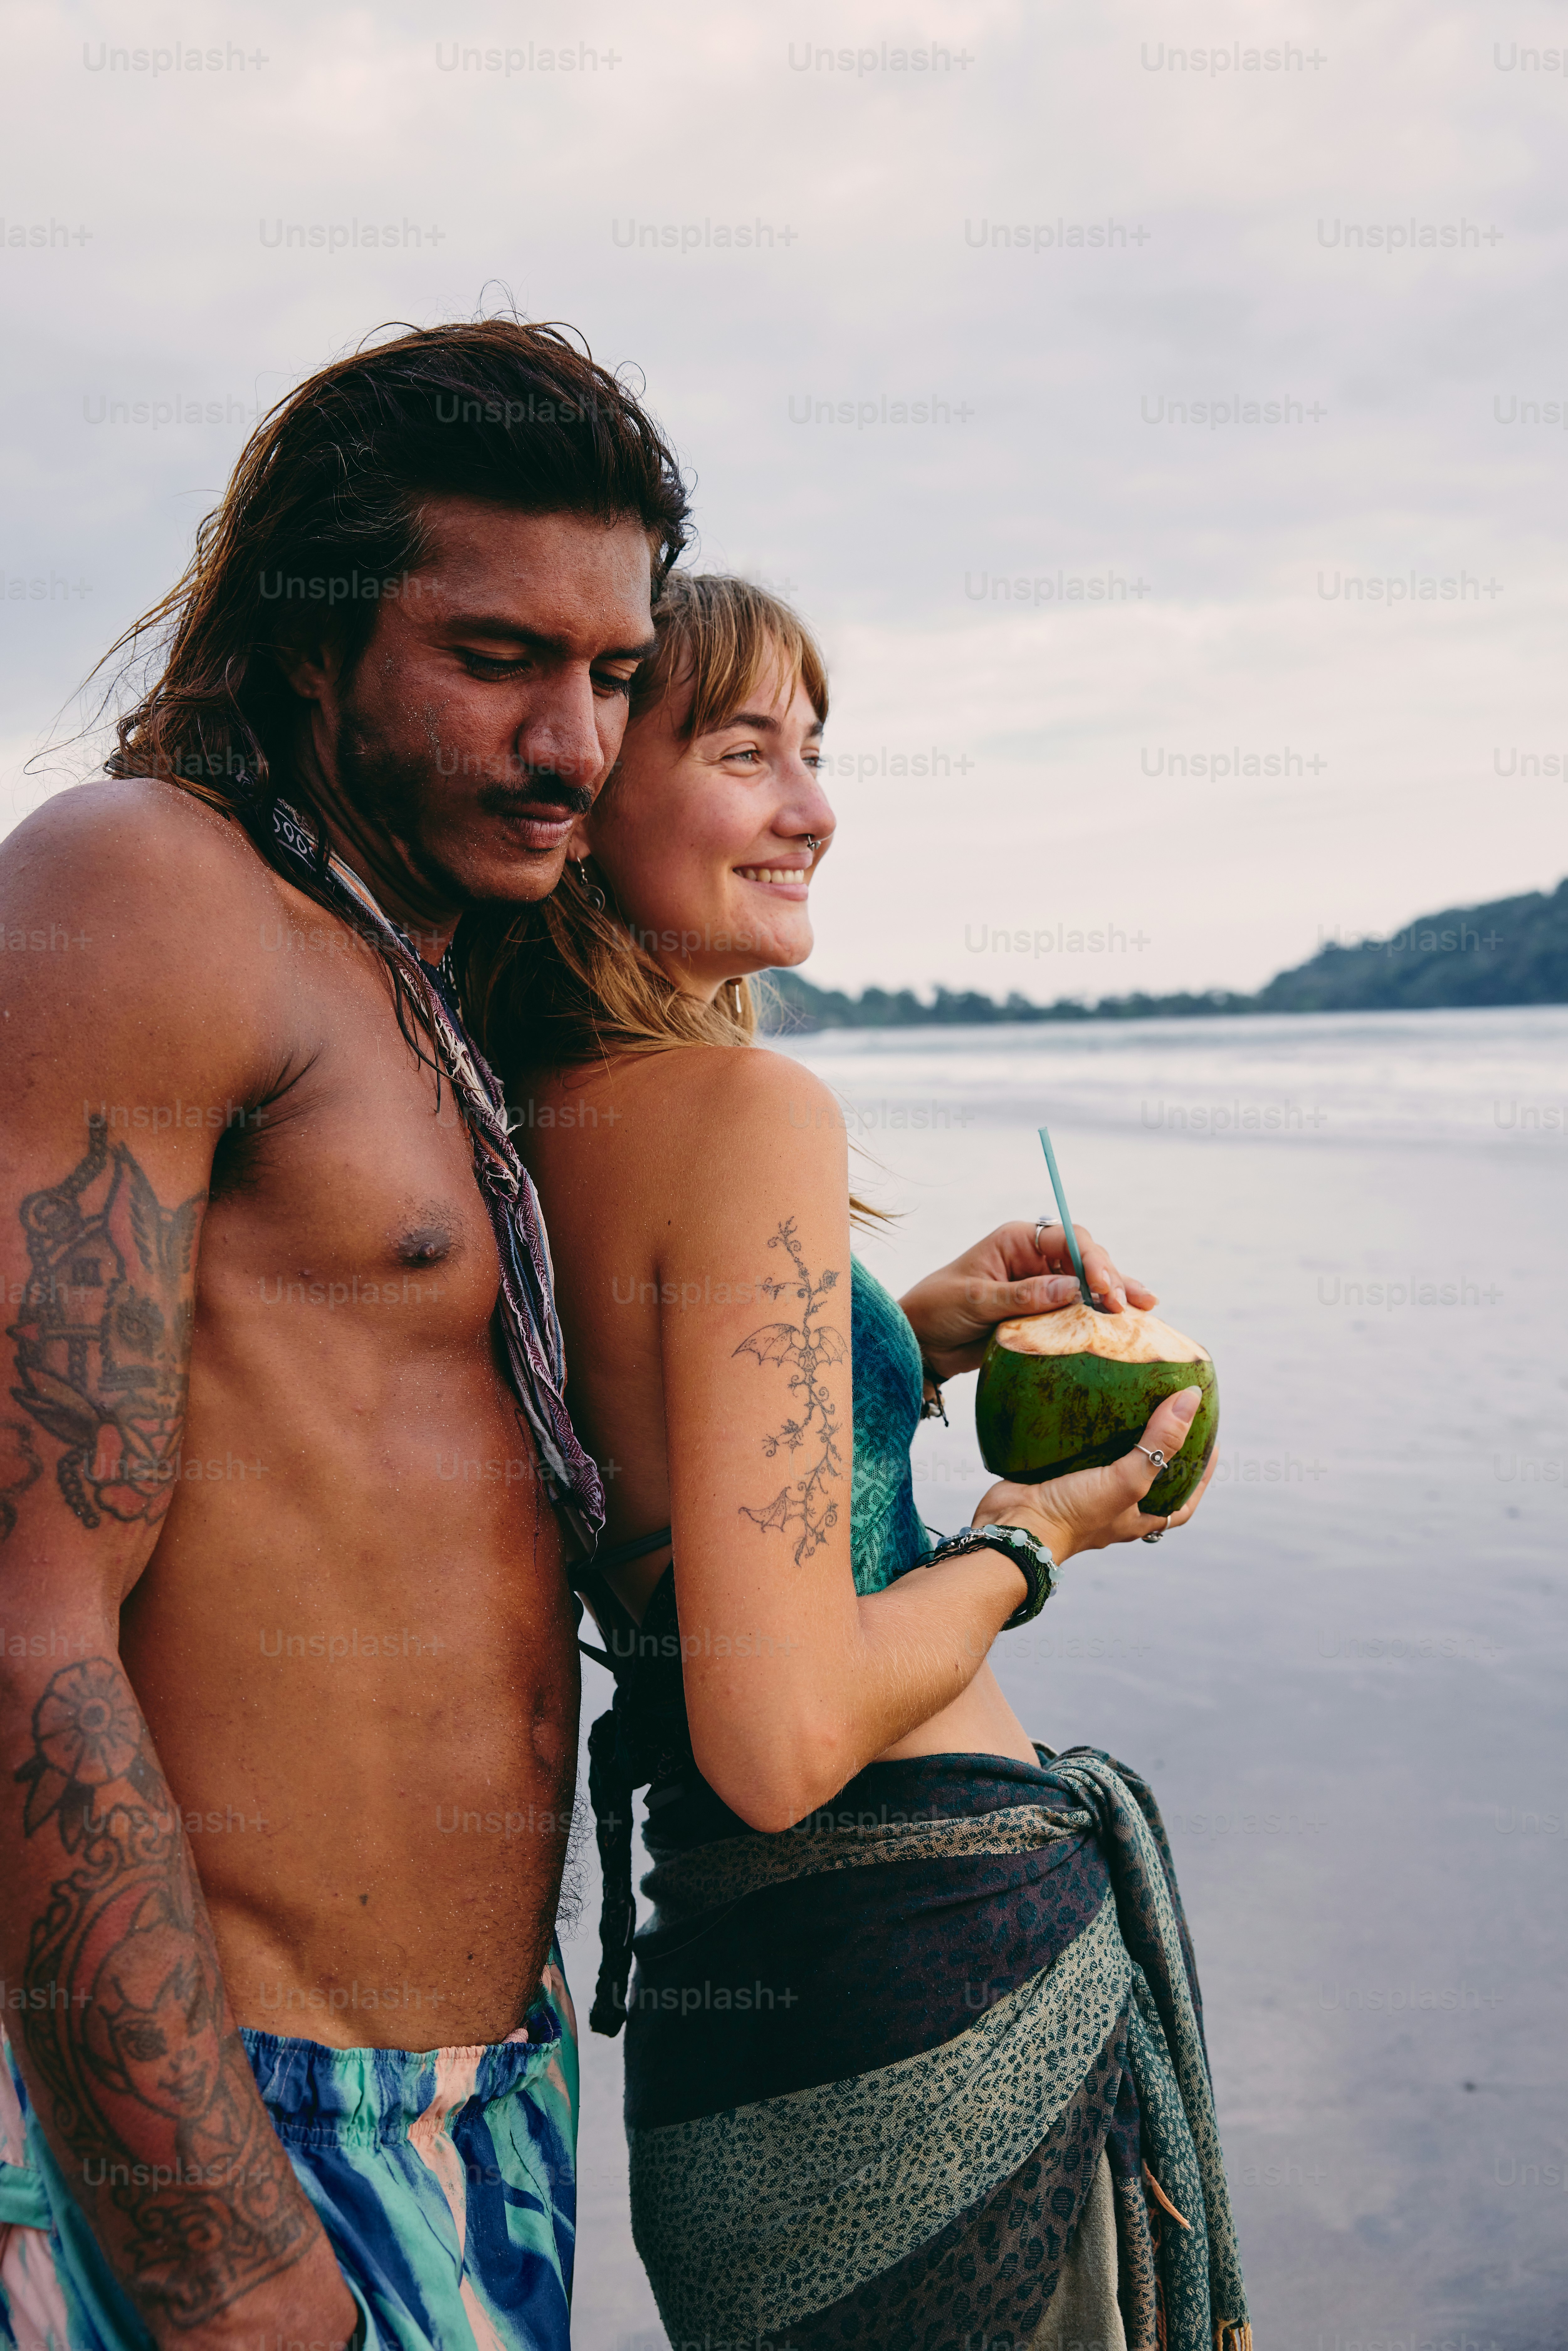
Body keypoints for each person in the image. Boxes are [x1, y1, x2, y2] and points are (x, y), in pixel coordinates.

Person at [0, 319, 689, 2351]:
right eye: (497, 660)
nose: (578, 742)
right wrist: (218, 2255)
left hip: (484, 2097)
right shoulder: (147, 893)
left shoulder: (417, 981)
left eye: (619, 676)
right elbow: (23, 1609)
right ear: (309, 645)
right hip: (223, 2128)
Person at [472, 574, 1253, 2349]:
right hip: (925, 1987)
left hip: (741, 2025)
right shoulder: (751, 1114)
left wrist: (899, 1334)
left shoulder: (528, 1114)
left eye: (814, 755)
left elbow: (682, 1468)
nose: (814, 809)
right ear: (593, 795)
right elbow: (780, 1733)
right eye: (747, 753)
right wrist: (1031, 1538)